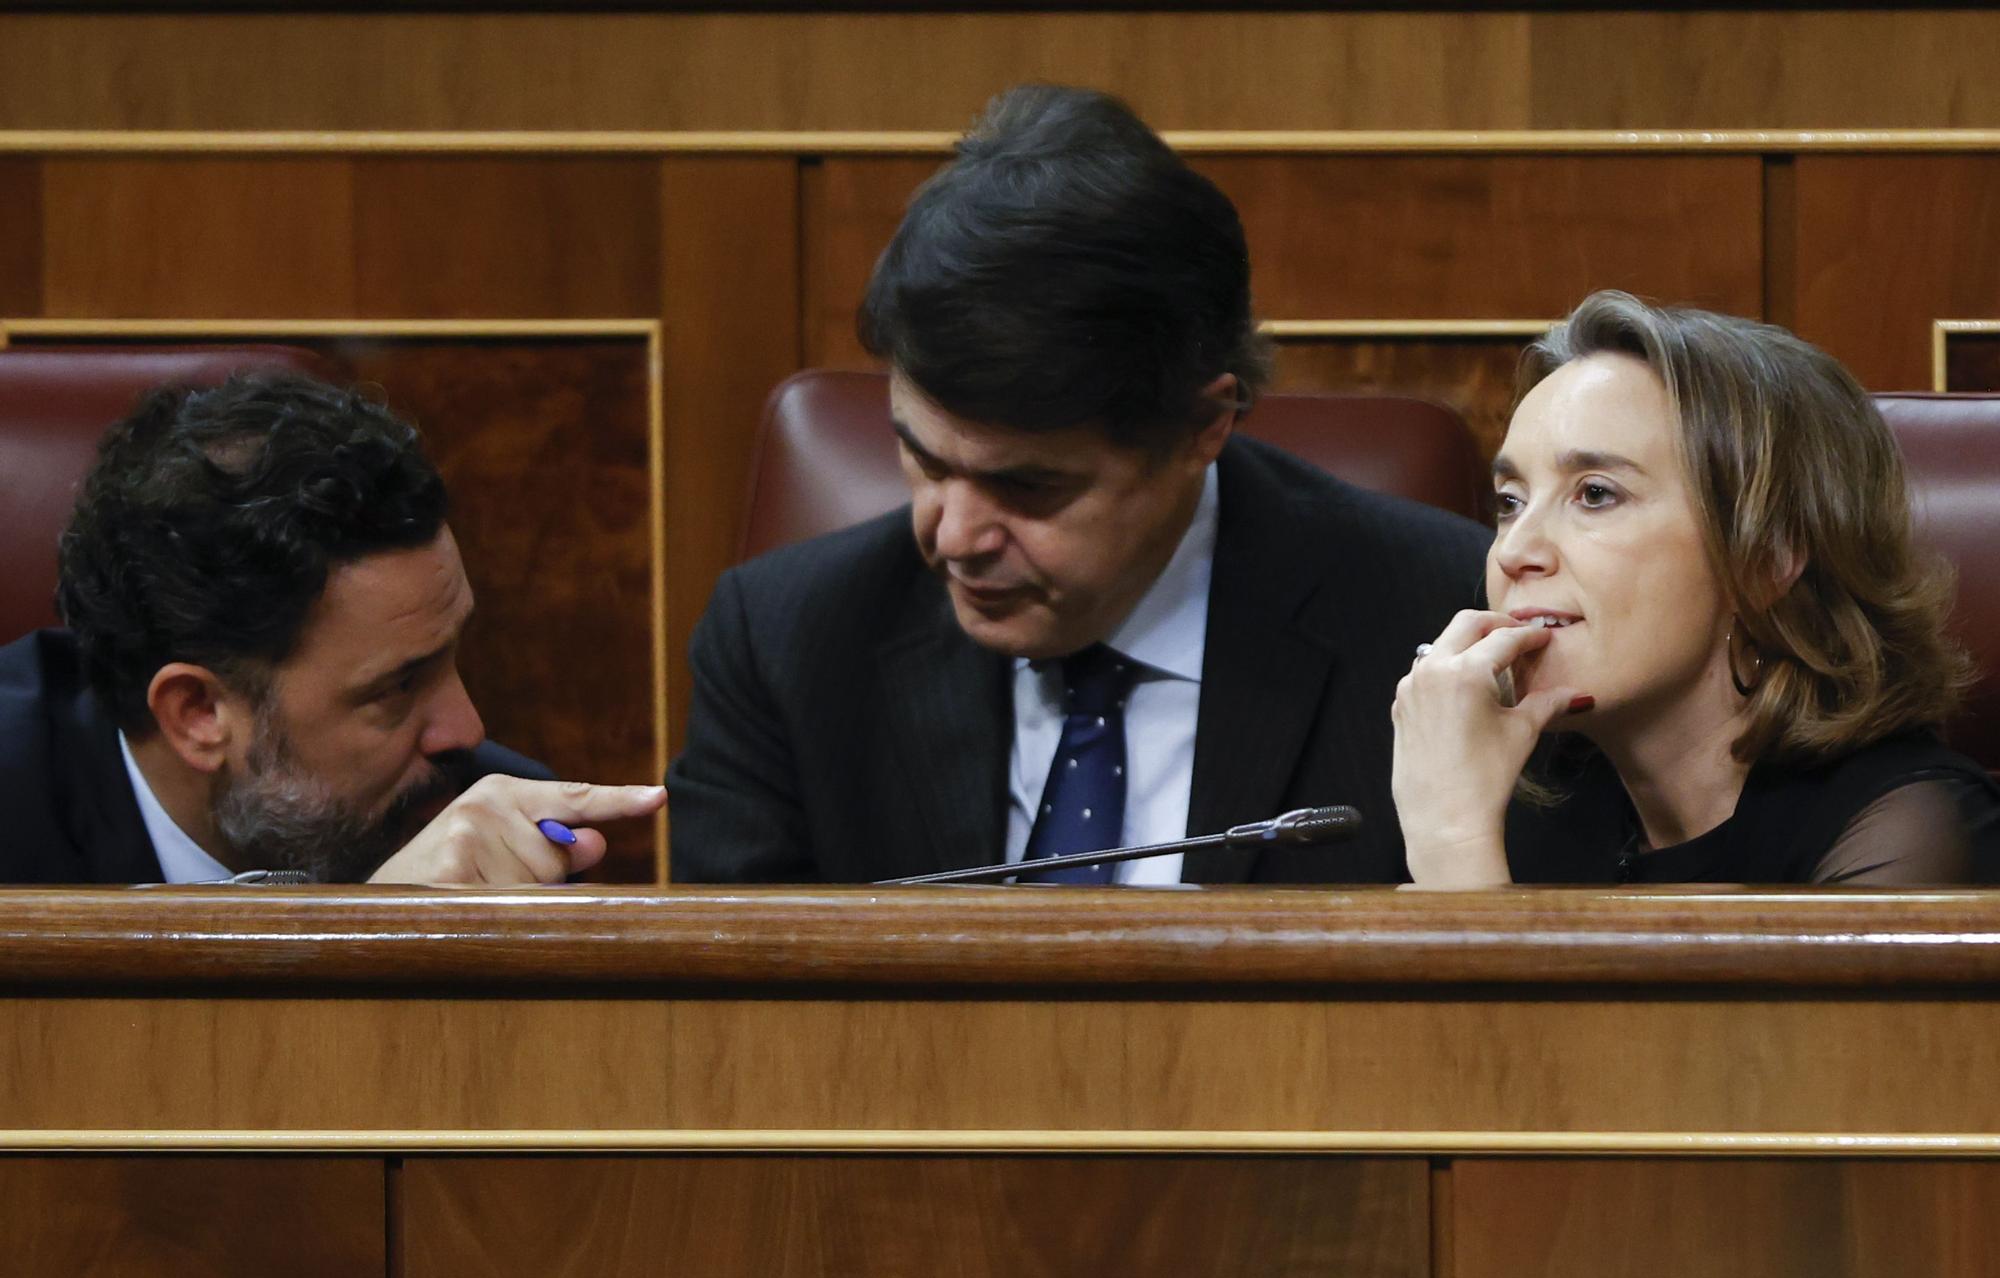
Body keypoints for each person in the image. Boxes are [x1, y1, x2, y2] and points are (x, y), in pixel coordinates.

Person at [667, 85, 1490, 885]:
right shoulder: (785, 647)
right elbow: (729, 1016)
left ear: (1204, 426)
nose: (953, 537)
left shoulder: (1436, 620)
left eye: (1026, 486)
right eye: (922, 457)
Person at [1391, 290, 2000, 885]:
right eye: (1509, 502)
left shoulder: (1911, 829)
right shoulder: (1500, 782)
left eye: (1596, 494)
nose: (1513, 551)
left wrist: (1456, 849)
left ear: (1765, 560)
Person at [0, 372, 664, 886]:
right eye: (398, 686)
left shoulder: (485, 837)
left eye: (452, 655)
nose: (468, 729)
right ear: (199, 711)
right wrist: (366, 948)